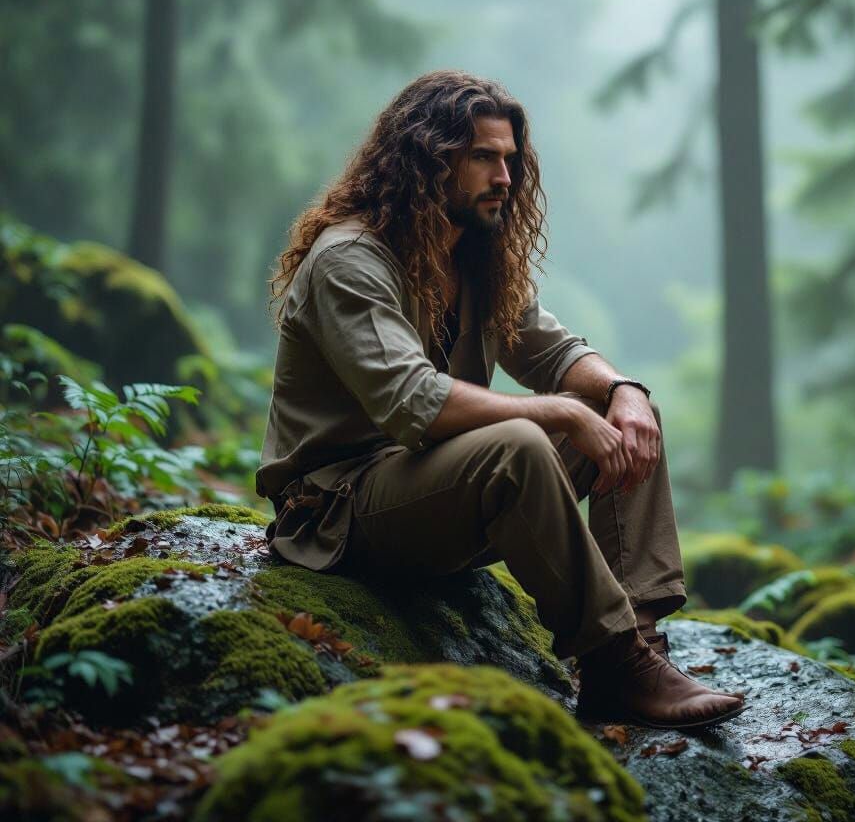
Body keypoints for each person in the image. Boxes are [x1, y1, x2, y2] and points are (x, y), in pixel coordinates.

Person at [256, 69, 745, 731]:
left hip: (434, 496)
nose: (506, 178)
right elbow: (412, 401)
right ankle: (612, 656)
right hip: (336, 514)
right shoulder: (350, 259)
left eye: (511, 159)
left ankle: (638, 649)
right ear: (428, 160)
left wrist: (622, 391)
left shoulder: (474, 256)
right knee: (521, 442)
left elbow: (554, 352)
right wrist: (558, 411)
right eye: (484, 157)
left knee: (628, 417)